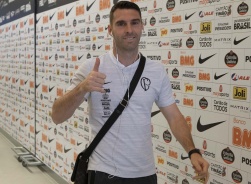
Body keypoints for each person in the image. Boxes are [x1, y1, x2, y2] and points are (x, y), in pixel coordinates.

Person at [51, 1, 209, 184]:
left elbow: (174, 117)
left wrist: (192, 151)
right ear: (110, 30)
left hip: (145, 173)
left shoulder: (156, 71)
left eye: (134, 22)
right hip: (102, 172)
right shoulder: (92, 68)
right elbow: (57, 116)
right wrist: (82, 88)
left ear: (142, 26)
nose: (129, 29)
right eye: (121, 24)